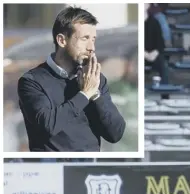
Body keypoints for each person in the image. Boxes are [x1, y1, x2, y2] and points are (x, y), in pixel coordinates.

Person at [17, 6, 126, 152]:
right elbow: (48, 125)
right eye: (85, 39)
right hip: (50, 169)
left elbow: (116, 134)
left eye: (93, 39)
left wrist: (95, 95)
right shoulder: (32, 81)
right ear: (62, 40)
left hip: (89, 168)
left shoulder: (95, 79)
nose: (91, 47)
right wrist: (84, 95)